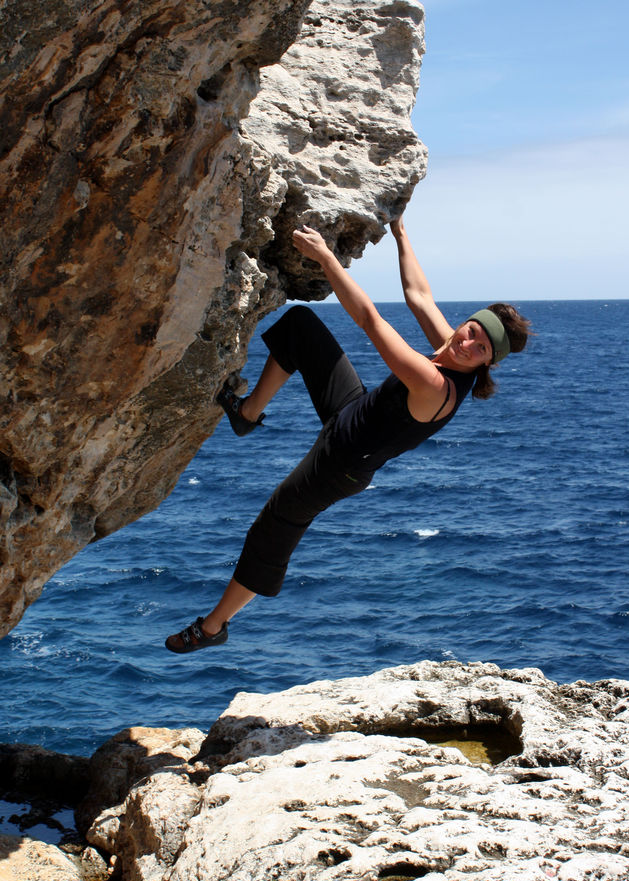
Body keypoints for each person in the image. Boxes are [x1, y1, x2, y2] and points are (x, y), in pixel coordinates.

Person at [165, 217, 532, 653]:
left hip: (342, 464)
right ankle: (247, 413)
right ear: (468, 323)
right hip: (351, 411)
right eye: (472, 331)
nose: (467, 344)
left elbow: (371, 321)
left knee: (273, 528)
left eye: (481, 349)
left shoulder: (438, 386)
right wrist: (400, 232)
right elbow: (418, 295)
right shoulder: (452, 346)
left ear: (486, 365)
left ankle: (213, 627)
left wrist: (325, 258)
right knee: (301, 327)